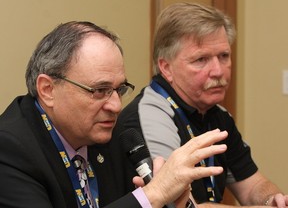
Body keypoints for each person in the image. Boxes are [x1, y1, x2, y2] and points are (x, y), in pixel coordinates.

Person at [0, 21, 229, 208]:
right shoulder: (9, 148)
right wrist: (152, 195)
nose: (116, 105)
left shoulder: (115, 137)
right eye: (99, 91)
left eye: (119, 90)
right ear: (48, 90)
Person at [112, 2, 288, 207]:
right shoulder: (149, 115)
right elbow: (185, 206)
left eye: (224, 56)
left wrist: (272, 200)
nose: (218, 71)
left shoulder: (216, 114)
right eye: (201, 59)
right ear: (166, 67)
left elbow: (253, 184)